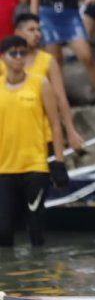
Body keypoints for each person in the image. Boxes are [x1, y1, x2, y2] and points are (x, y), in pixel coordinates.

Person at [0, 33, 66, 247]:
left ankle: (40, 276)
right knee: (4, 228)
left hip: (35, 166)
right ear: (3, 58)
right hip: (4, 169)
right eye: (13, 53)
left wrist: (59, 162)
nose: (19, 57)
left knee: (35, 227)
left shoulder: (40, 83)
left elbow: (55, 125)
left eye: (23, 53)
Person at [4, 13, 86, 152]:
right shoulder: (5, 63)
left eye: (39, 30)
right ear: (18, 32)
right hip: (13, 135)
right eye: (31, 30)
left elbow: (60, 97)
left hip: (44, 134)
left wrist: (71, 131)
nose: (37, 34)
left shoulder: (47, 61)